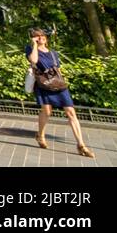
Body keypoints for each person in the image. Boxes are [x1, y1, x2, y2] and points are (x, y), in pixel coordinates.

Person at [26, 29, 93, 157]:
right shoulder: (30, 50)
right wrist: (34, 45)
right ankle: (40, 135)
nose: (41, 38)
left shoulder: (53, 53)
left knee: (71, 112)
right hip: (43, 85)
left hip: (59, 85)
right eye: (37, 36)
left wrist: (61, 82)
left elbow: (58, 70)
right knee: (47, 111)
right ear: (33, 38)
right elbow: (33, 61)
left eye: (43, 35)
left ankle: (81, 145)